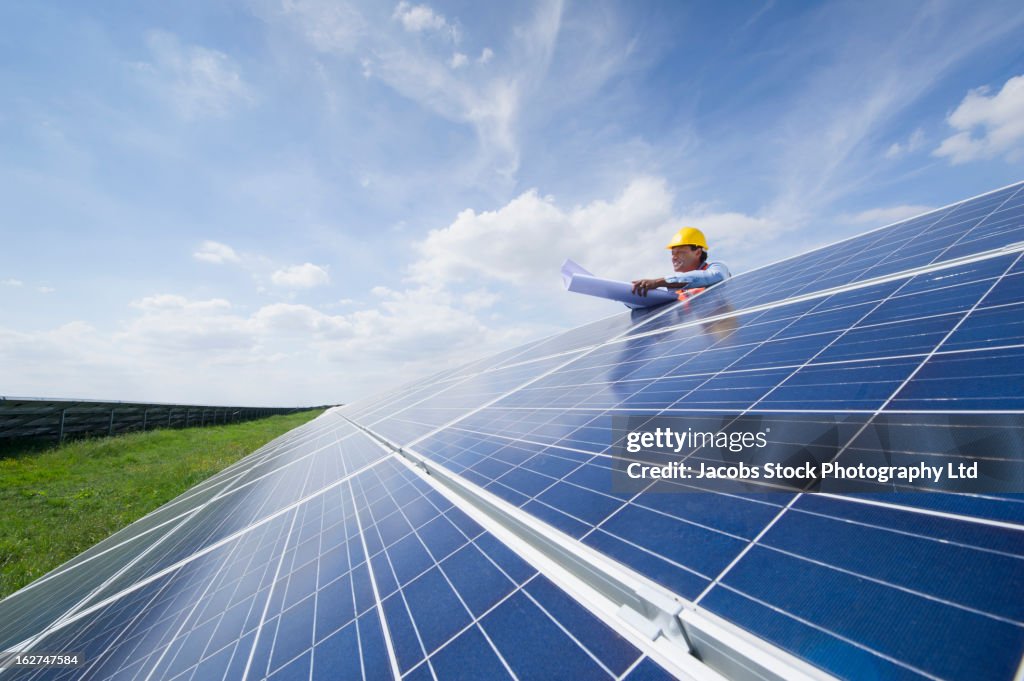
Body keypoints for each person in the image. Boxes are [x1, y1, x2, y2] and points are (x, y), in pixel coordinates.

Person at [631, 227, 731, 300]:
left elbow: (716, 276)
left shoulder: (717, 267)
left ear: (698, 252)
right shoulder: (675, 288)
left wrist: (658, 282)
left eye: (680, 252)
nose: (674, 257)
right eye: (672, 253)